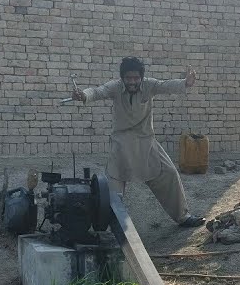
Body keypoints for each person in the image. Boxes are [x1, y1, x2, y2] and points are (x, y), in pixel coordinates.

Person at [74, 57, 206, 227]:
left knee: (170, 174)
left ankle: (183, 217)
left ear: (141, 78)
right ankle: (109, 225)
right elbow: (98, 91)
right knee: (113, 190)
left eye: (136, 78)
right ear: (123, 78)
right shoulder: (115, 87)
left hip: (146, 141)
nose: (132, 82)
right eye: (128, 78)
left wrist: (186, 83)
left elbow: (165, 86)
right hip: (121, 144)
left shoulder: (149, 85)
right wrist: (83, 95)